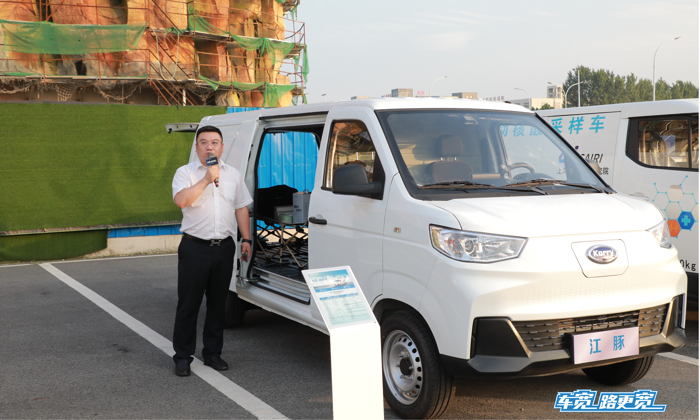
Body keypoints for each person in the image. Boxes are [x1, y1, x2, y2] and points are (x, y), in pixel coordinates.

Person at [171, 125, 253, 377]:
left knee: (218, 304)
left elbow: (241, 207)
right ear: (196, 147)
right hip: (194, 248)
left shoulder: (233, 175)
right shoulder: (185, 173)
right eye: (204, 142)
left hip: (224, 248)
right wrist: (206, 179)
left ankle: (213, 353)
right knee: (189, 305)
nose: (209, 146)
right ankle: (183, 357)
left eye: (214, 142)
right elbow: (182, 200)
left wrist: (246, 239)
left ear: (222, 147)